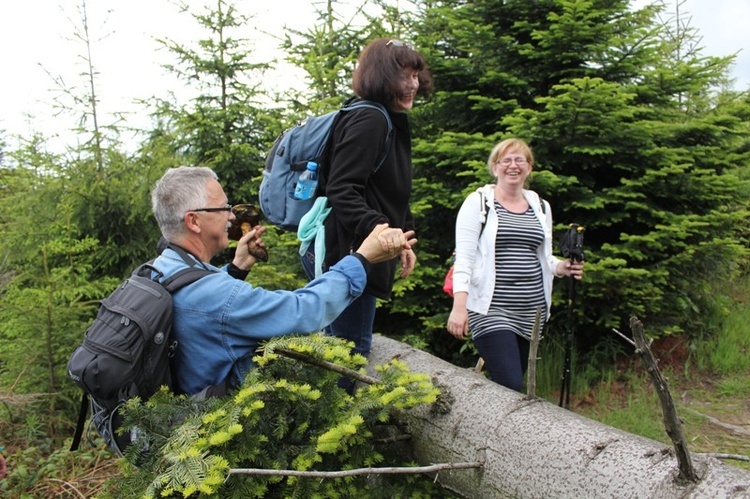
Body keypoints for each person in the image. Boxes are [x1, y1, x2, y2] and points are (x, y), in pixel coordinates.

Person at [150, 166, 416, 396]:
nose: (231, 216)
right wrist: (362, 258)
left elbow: (201, 304)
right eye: (223, 208)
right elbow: (303, 312)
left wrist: (237, 267)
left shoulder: (160, 268)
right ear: (193, 220)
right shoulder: (218, 297)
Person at [300, 38, 433, 387]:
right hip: (346, 252)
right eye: (405, 75)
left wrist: (403, 239)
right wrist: (382, 231)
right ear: (382, 76)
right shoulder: (370, 120)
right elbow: (343, 189)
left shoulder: (384, 118)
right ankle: (330, 435)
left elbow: (387, 191)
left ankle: (329, 428)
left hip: (357, 249)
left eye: (416, 75)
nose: (414, 84)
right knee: (348, 353)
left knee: (345, 347)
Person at [446, 138, 584, 392]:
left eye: (520, 160)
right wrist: (459, 307)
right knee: (510, 383)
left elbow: (544, 256)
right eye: (505, 160)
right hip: (491, 310)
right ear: (495, 167)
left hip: (532, 312)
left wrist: (561, 267)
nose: (513, 165)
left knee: (508, 386)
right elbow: (464, 258)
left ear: (529, 167)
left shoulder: (541, 207)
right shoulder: (478, 203)